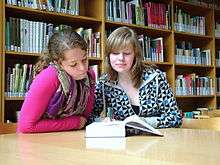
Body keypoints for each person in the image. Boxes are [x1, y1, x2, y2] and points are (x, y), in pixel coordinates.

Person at [91, 26, 182, 128]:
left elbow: (175, 117)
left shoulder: (155, 78)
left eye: (127, 53)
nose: (121, 58)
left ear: (135, 55)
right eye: (115, 53)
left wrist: (144, 122)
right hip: (125, 141)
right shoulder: (104, 83)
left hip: (157, 141)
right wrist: (101, 121)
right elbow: (90, 116)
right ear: (108, 56)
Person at [18, 29, 96, 133]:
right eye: (73, 64)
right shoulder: (48, 77)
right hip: (35, 141)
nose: (83, 68)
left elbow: (84, 117)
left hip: (68, 138)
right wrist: (74, 123)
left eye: (84, 59)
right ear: (58, 63)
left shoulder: (89, 75)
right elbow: (26, 126)